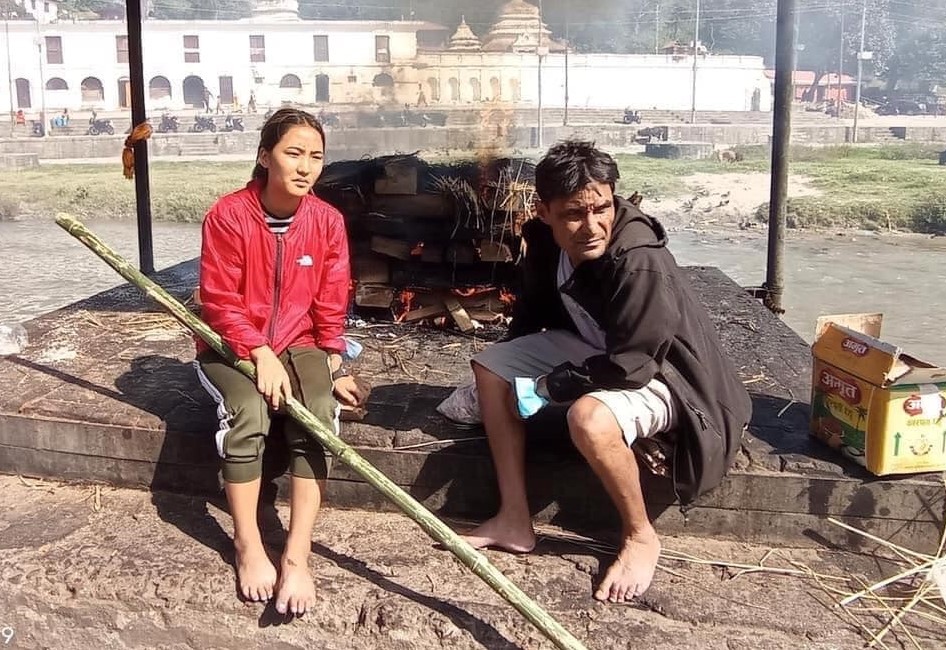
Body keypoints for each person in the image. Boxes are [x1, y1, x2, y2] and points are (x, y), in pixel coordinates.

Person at [460, 140, 751, 603]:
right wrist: (515, 366)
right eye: (574, 214)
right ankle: (514, 517)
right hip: (602, 348)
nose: (592, 226)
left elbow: (632, 365)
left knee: (588, 419)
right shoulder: (543, 240)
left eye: (602, 208)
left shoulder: (639, 260)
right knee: (491, 367)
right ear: (544, 212)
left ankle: (640, 536)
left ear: (614, 199)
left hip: (669, 376)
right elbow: (533, 312)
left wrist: (552, 384)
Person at [194, 108, 367, 615]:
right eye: (293, 153)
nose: (305, 166)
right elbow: (219, 302)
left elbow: (331, 300)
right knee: (249, 412)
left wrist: (333, 362)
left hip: (301, 341)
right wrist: (259, 352)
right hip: (228, 345)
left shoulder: (326, 221)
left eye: (316, 156)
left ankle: (296, 554)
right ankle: (247, 543)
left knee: (317, 414)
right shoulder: (228, 215)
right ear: (265, 156)